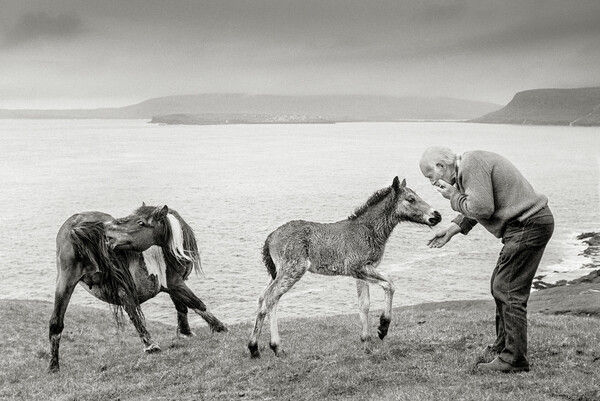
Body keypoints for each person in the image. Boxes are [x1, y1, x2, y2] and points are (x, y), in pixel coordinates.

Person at [419, 146, 554, 373]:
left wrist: (453, 196)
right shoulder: (467, 168)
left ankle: (514, 359)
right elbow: (475, 203)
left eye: (430, 176)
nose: (431, 183)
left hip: (527, 225)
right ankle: (504, 347)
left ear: (441, 167)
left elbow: (482, 208)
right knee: (499, 285)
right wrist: (453, 229)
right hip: (527, 224)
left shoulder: (471, 164)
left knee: (507, 288)